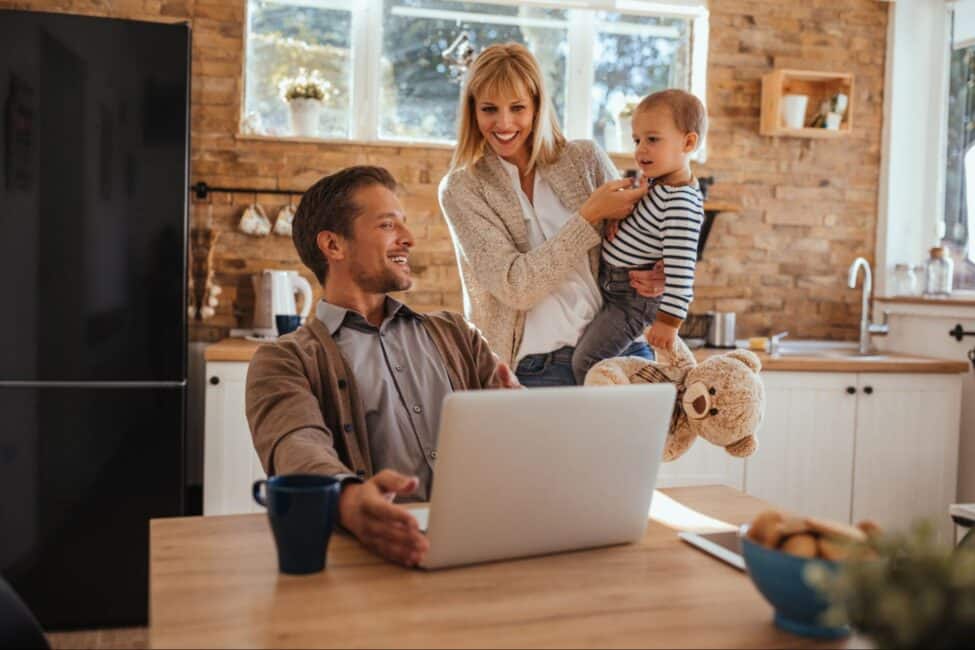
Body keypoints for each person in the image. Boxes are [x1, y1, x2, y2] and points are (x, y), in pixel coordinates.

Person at [246, 166, 520, 568]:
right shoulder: (284, 360)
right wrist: (348, 498)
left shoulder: (457, 334)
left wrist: (519, 416)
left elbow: (515, 432)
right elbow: (296, 445)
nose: (408, 239)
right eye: (388, 225)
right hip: (376, 559)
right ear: (333, 246)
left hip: (484, 545)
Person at [438, 43, 667, 387]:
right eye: (489, 109)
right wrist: (588, 217)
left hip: (623, 354)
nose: (504, 123)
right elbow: (516, 287)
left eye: (517, 108)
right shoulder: (462, 189)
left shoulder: (585, 159)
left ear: (537, 106)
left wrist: (659, 273)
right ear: (472, 112)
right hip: (539, 371)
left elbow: (639, 241)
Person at [571, 89, 708, 384]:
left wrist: (668, 322)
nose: (641, 149)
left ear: (688, 142)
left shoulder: (680, 202)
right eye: (637, 140)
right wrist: (616, 221)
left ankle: (618, 421)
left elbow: (682, 271)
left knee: (587, 362)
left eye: (653, 139)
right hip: (613, 287)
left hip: (631, 300)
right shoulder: (658, 185)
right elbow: (643, 226)